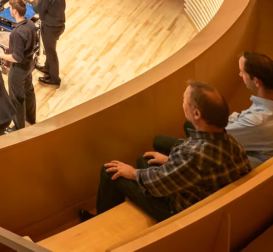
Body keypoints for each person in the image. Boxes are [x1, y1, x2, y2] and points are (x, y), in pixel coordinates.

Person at [84, 81, 249, 222]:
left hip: (180, 211)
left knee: (110, 171)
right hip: (207, 198)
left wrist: (132, 172)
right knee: (146, 159)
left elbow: (157, 185)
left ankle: (99, 220)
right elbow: (198, 169)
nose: (182, 102)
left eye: (185, 100)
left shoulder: (193, 155)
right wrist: (170, 162)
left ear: (196, 114)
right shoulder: (231, 142)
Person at [0, 0, 37, 130]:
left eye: (11, 9)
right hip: (29, 64)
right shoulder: (30, 24)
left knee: (16, 97)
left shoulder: (17, 33)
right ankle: (30, 117)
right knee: (29, 91)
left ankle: (18, 127)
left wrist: (0, 55)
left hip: (18, 69)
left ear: (15, 12)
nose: (10, 11)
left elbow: (16, 57)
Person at [34, 0, 66, 87]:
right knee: (49, 49)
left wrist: (32, 3)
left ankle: (54, 78)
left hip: (50, 27)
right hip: (60, 24)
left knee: (51, 52)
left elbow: (40, 13)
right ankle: (47, 68)